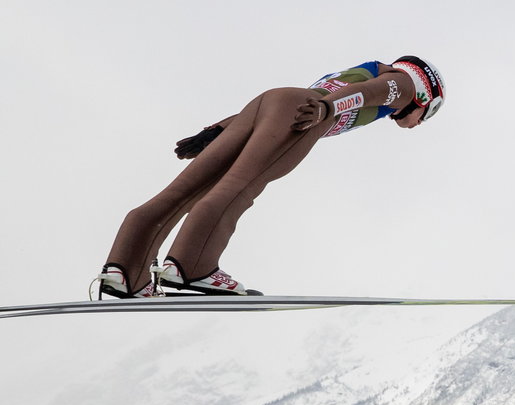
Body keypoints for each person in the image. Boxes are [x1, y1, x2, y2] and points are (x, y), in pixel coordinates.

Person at [95, 56, 445, 299]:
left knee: (184, 191)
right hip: (305, 114)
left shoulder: (366, 68)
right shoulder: (404, 83)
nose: (417, 123)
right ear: (425, 95)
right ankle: (190, 268)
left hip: (269, 103)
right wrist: (326, 110)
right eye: (426, 114)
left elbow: (276, 105)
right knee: (239, 188)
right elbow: (368, 95)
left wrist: (216, 131)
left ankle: (124, 273)